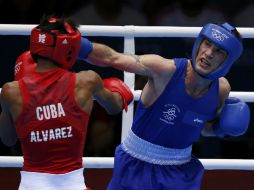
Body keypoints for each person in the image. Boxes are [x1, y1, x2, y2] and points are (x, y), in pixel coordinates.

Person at [77, 22, 250, 189]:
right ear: (199, 42)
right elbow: (112, 58)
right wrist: (76, 44)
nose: (209, 53)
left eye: (219, 51)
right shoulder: (165, 70)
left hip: (180, 171)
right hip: (136, 164)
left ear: (228, 61)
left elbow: (201, 126)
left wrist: (218, 130)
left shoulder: (221, 90)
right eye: (207, 44)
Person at [0, 15, 133, 190]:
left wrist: (28, 114)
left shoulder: (11, 91)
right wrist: (119, 89)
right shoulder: (87, 82)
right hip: (73, 184)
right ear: (69, 48)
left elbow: (8, 140)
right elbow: (115, 106)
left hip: (30, 185)